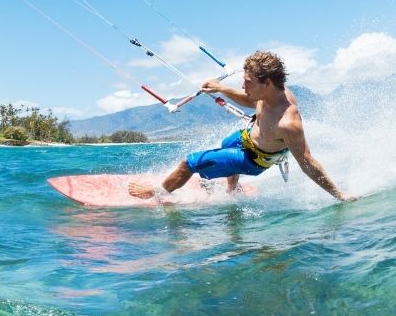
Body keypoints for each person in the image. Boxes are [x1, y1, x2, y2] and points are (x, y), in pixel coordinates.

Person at [128, 50, 355, 202]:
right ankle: (233, 190)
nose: (243, 85)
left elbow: (307, 162)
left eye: (248, 82)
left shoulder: (288, 122)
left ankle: (157, 194)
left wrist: (339, 194)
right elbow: (249, 100)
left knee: (189, 162)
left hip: (254, 159)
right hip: (248, 138)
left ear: (266, 83)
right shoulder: (271, 93)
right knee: (227, 142)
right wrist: (221, 88)